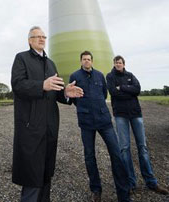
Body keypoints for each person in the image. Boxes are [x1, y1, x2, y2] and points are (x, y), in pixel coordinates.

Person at [11, 26, 84, 202]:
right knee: (32, 175)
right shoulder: (22, 58)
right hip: (31, 126)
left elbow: (55, 91)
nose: (42, 39)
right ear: (29, 40)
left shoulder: (51, 64)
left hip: (50, 125)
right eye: (37, 37)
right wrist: (41, 85)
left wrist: (65, 93)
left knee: (45, 173)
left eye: (44, 36)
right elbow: (18, 85)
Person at [69, 51, 131, 202]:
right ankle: (96, 189)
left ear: (92, 61)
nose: (87, 62)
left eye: (89, 59)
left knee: (116, 154)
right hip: (86, 122)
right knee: (90, 157)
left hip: (104, 120)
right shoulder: (75, 76)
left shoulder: (99, 75)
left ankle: (123, 192)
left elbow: (104, 94)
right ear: (80, 61)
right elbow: (73, 98)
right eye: (84, 59)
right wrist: (85, 108)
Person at [106, 55, 169, 196]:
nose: (118, 64)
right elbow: (113, 93)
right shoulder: (110, 77)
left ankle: (151, 182)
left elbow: (137, 89)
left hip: (136, 114)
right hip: (121, 114)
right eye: (116, 62)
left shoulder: (130, 75)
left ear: (124, 64)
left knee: (143, 147)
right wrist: (128, 91)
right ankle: (130, 183)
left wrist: (122, 87)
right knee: (124, 149)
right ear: (114, 64)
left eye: (120, 62)